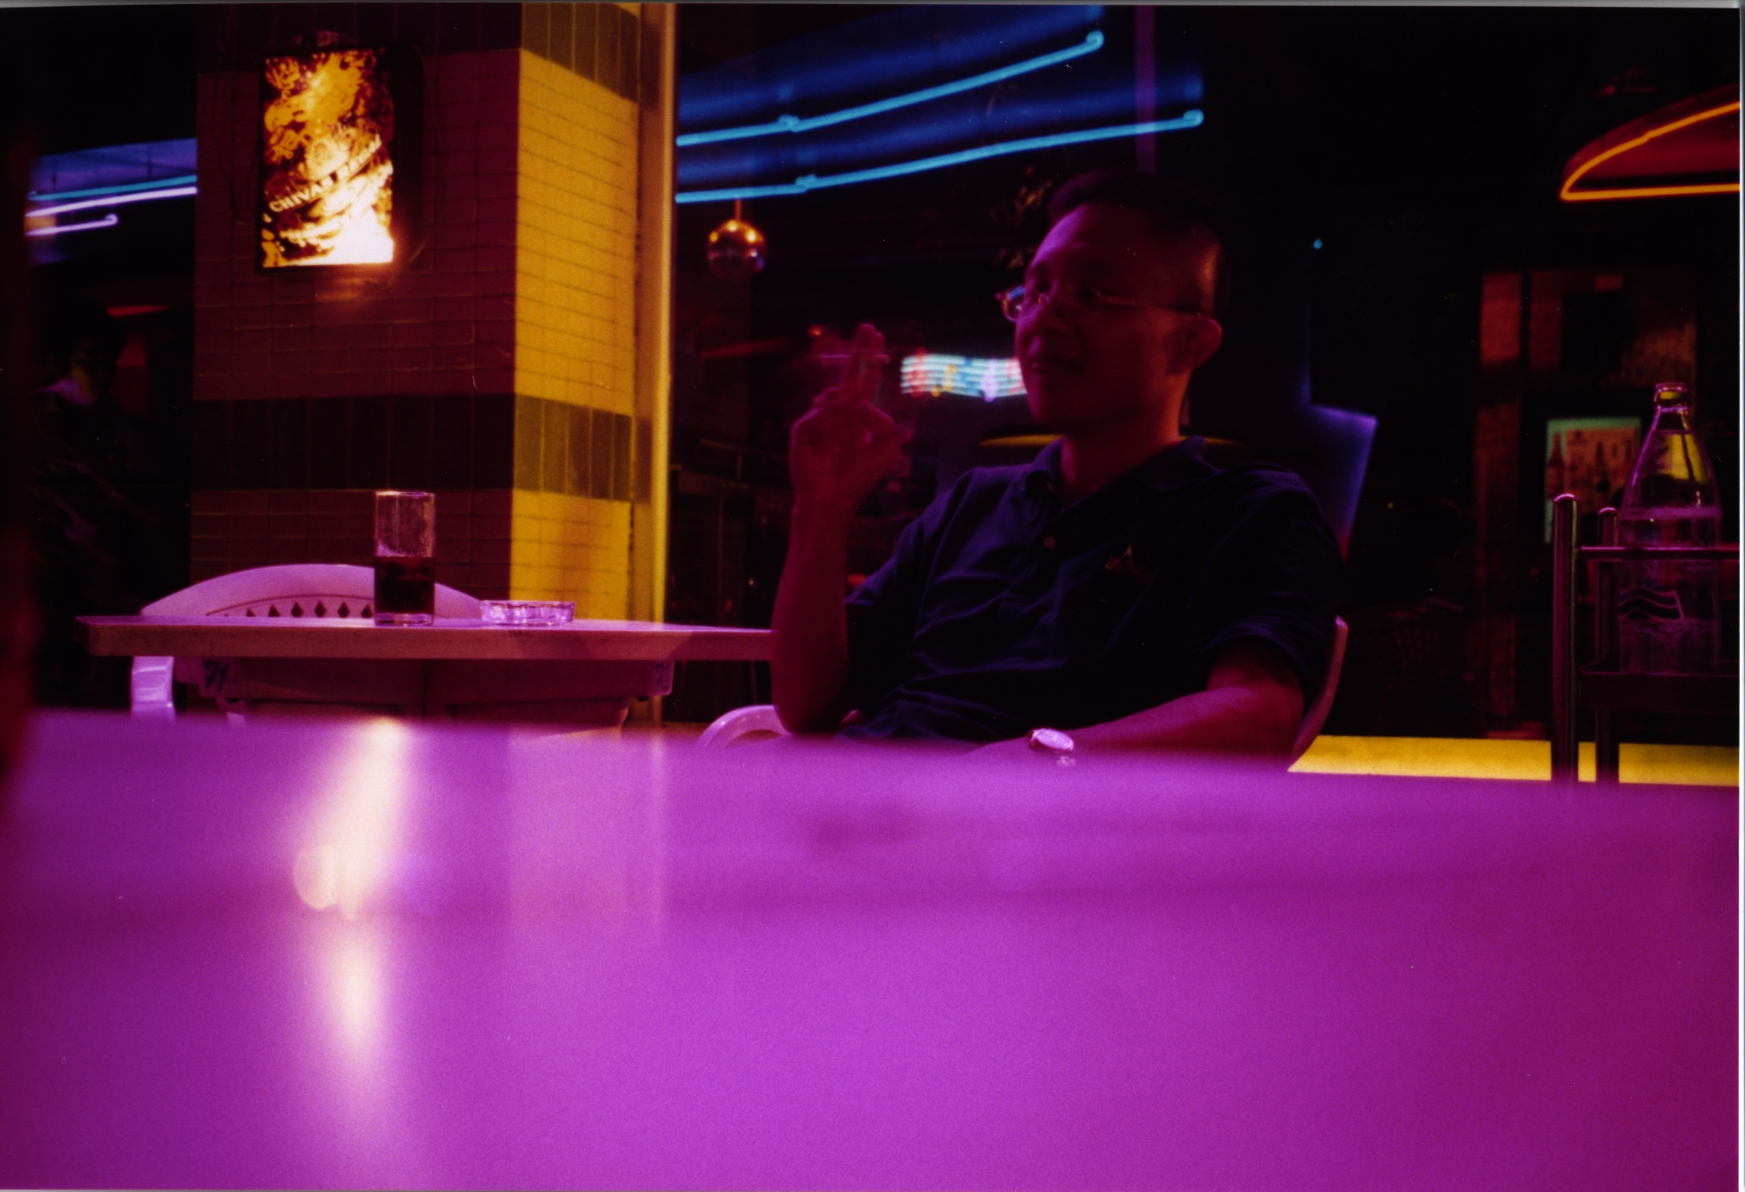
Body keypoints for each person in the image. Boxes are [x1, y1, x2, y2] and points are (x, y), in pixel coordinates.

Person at [771, 170, 1342, 758]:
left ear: (1190, 342)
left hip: (1023, 817)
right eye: (1034, 293)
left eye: (1090, 294)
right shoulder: (974, 504)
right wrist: (822, 509)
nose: (1043, 318)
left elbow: (1259, 714)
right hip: (857, 795)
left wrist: (1038, 762)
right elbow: (806, 703)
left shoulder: (1248, 512)